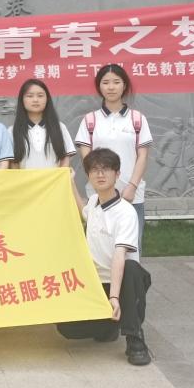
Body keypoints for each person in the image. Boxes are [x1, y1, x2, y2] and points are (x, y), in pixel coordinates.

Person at [56, 148, 152, 366]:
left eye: (106, 169)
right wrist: (69, 182)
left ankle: (135, 340)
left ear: (117, 174)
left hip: (123, 283)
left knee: (131, 269)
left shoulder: (125, 212)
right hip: (96, 283)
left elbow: (119, 256)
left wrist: (114, 297)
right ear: (89, 175)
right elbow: (84, 211)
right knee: (66, 328)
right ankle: (108, 327)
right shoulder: (94, 203)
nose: (100, 174)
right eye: (94, 170)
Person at [75, 63, 153, 251]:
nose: (111, 87)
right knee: (99, 247)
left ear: (124, 85)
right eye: (106, 82)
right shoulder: (90, 120)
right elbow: (87, 159)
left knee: (131, 248)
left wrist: (132, 187)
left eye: (116, 82)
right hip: (99, 194)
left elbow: (142, 156)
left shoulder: (137, 119)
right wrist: (98, 185)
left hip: (131, 195)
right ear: (99, 86)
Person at [9, 78, 75, 169]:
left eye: (40, 96)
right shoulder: (12, 130)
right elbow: (13, 163)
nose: (35, 100)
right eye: (30, 96)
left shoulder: (59, 127)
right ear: (22, 100)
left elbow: (65, 158)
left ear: (47, 99)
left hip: (54, 178)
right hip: (25, 178)